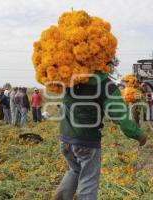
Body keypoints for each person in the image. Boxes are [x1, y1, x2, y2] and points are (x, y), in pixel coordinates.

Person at [53, 72, 147, 200]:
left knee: (74, 171)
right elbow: (118, 113)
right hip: (86, 141)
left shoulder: (71, 77)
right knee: (88, 180)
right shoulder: (102, 82)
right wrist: (138, 135)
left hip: (65, 138)